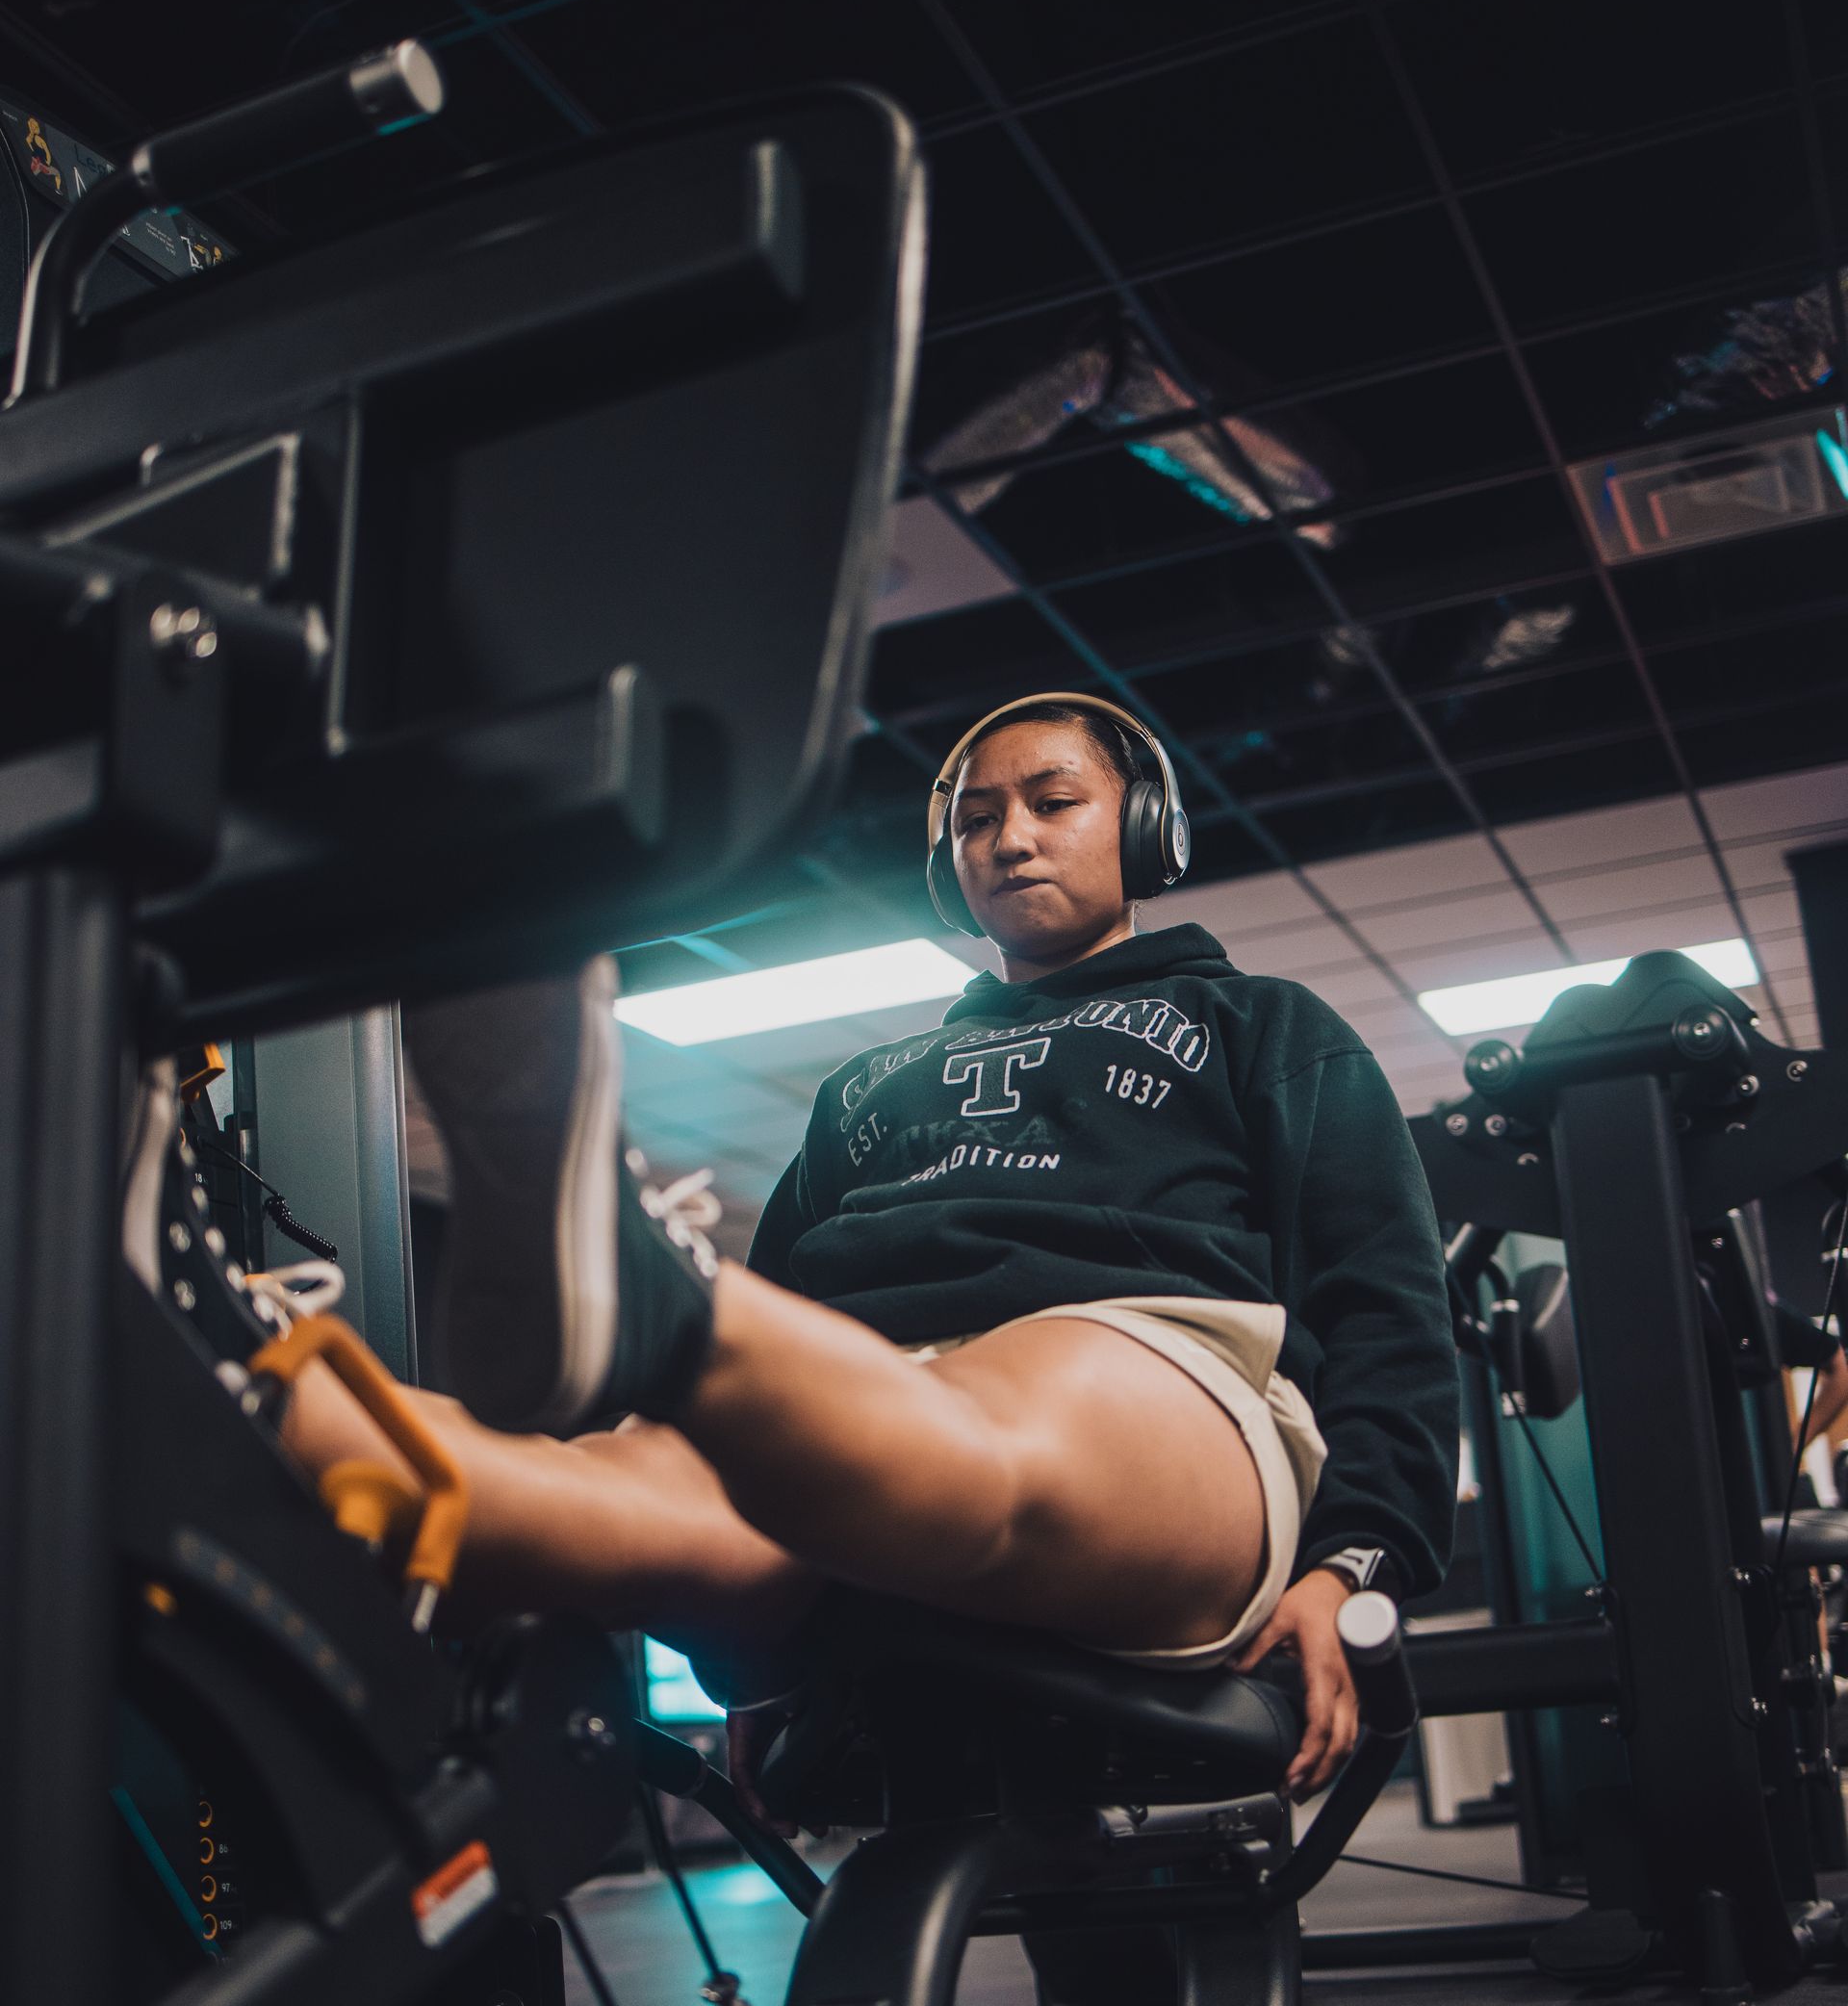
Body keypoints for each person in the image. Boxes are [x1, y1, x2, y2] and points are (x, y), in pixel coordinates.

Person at [274, 696, 1459, 1809]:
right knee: (622, 1499)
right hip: (854, 1394)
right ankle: (263, 1406)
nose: (1009, 838)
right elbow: (795, 1291)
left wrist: (1353, 1560)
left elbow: (1385, 1306)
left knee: (985, 1434)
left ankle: (659, 1307)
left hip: (1138, 1369)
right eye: (979, 818)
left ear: (1147, 828)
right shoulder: (867, 1085)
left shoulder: (1260, 1023)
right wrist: (759, 1669)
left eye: (1053, 802)